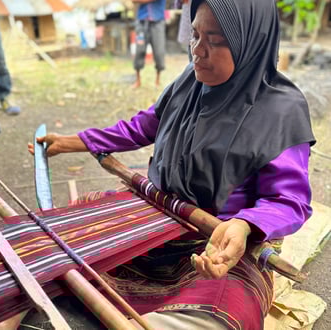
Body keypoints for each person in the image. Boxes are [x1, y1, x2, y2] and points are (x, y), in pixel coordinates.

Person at [28, 0, 315, 328]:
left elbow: (288, 200)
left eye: (216, 40)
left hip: (217, 242)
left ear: (251, 40)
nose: (198, 50)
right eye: (194, 35)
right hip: (159, 215)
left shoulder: (281, 111)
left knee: (225, 313)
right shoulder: (190, 83)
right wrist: (70, 142)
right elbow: (143, 127)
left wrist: (243, 225)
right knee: (65, 230)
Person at [132, 0, 166, 88]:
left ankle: (157, 81)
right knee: (139, 50)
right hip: (141, 22)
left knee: (159, 52)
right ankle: (138, 80)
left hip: (157, 21)